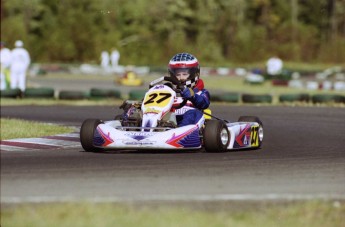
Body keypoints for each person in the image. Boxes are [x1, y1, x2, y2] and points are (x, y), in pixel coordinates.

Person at [168, 52, 210, 127]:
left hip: (192, 124)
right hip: (170, 120)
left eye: (184, 74)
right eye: (178, 74)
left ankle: (179, 132)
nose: (181, 78)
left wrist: (193, 96)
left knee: (192, 113)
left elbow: (204, 103)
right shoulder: (169, 92)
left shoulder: (201, 92)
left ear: (195, 74)